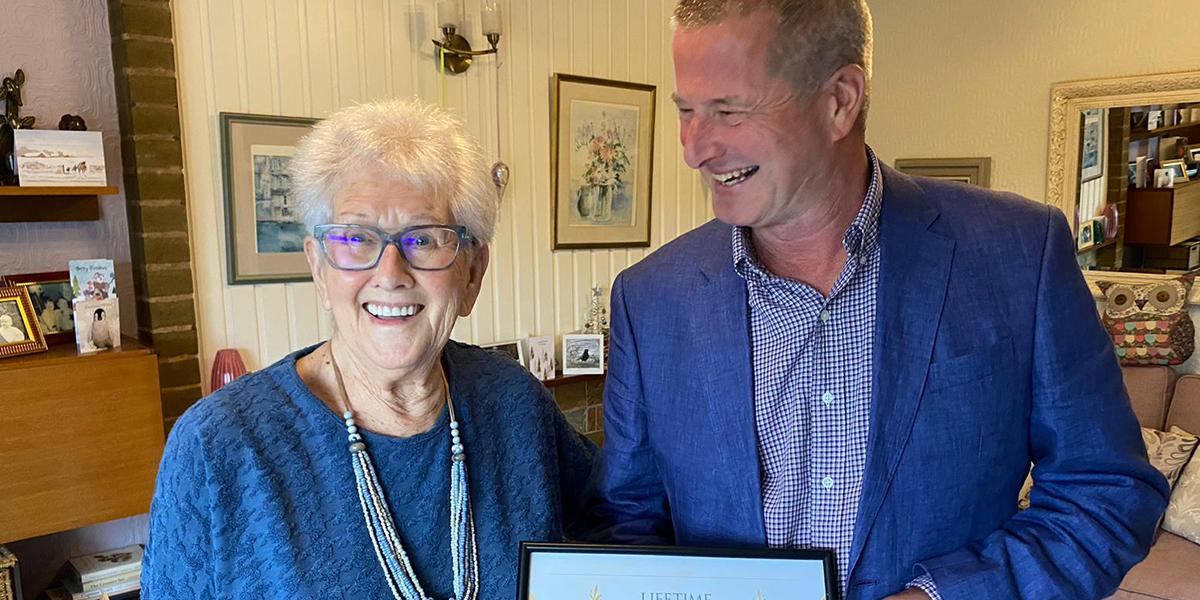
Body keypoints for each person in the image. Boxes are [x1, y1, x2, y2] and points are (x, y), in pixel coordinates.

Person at [586, 1, 1169, 599]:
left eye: (729, 111)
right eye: (686, 111)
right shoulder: (649, 298)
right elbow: (625, 519)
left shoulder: (1020, 253)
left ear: (840, 100)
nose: (694, 149)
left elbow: (1105, 494)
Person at [142, 99, 596, 599]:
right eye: (357, 238)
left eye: (424, 240)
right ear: (319, 269)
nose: (390, 273)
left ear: (472, 273)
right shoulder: (218, 447)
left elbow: (618, 527)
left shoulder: (514, 402)